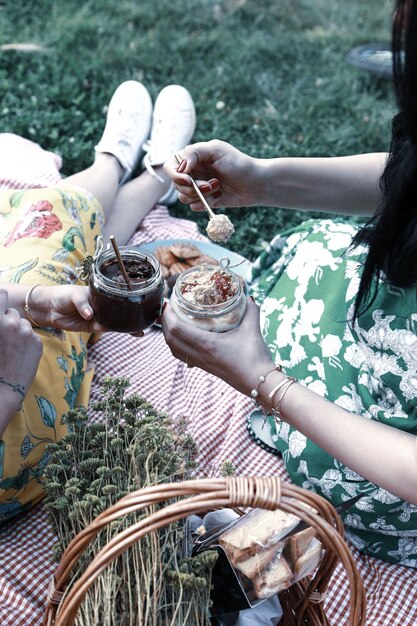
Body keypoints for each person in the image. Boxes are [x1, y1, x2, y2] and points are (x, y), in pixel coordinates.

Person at [162, 0, 417, 567]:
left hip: (393, 468)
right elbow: (408, 183)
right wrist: (261, 179)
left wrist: (263, 381)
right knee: (315, 247)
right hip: (385, 324)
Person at [0, 79, 196, 521]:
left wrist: (34, 301)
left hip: (18, 342)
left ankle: (129, 165)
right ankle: (129, 166)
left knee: (79, 260)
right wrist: (9, 385)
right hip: (24, 432)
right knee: (52, 224)